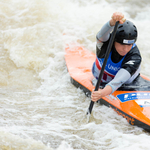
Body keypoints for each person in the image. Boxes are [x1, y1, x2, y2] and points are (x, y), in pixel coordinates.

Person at [91, 12, 141, 102]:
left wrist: (102, 93)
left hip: (126, 84)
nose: (125, 49)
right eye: (122, 44)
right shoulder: (104, 44)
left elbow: (118, 81)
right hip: (98, 79)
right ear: (114, 40)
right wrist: (111, 22)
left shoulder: (135, 57)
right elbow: (101, 34)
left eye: (130, 45)